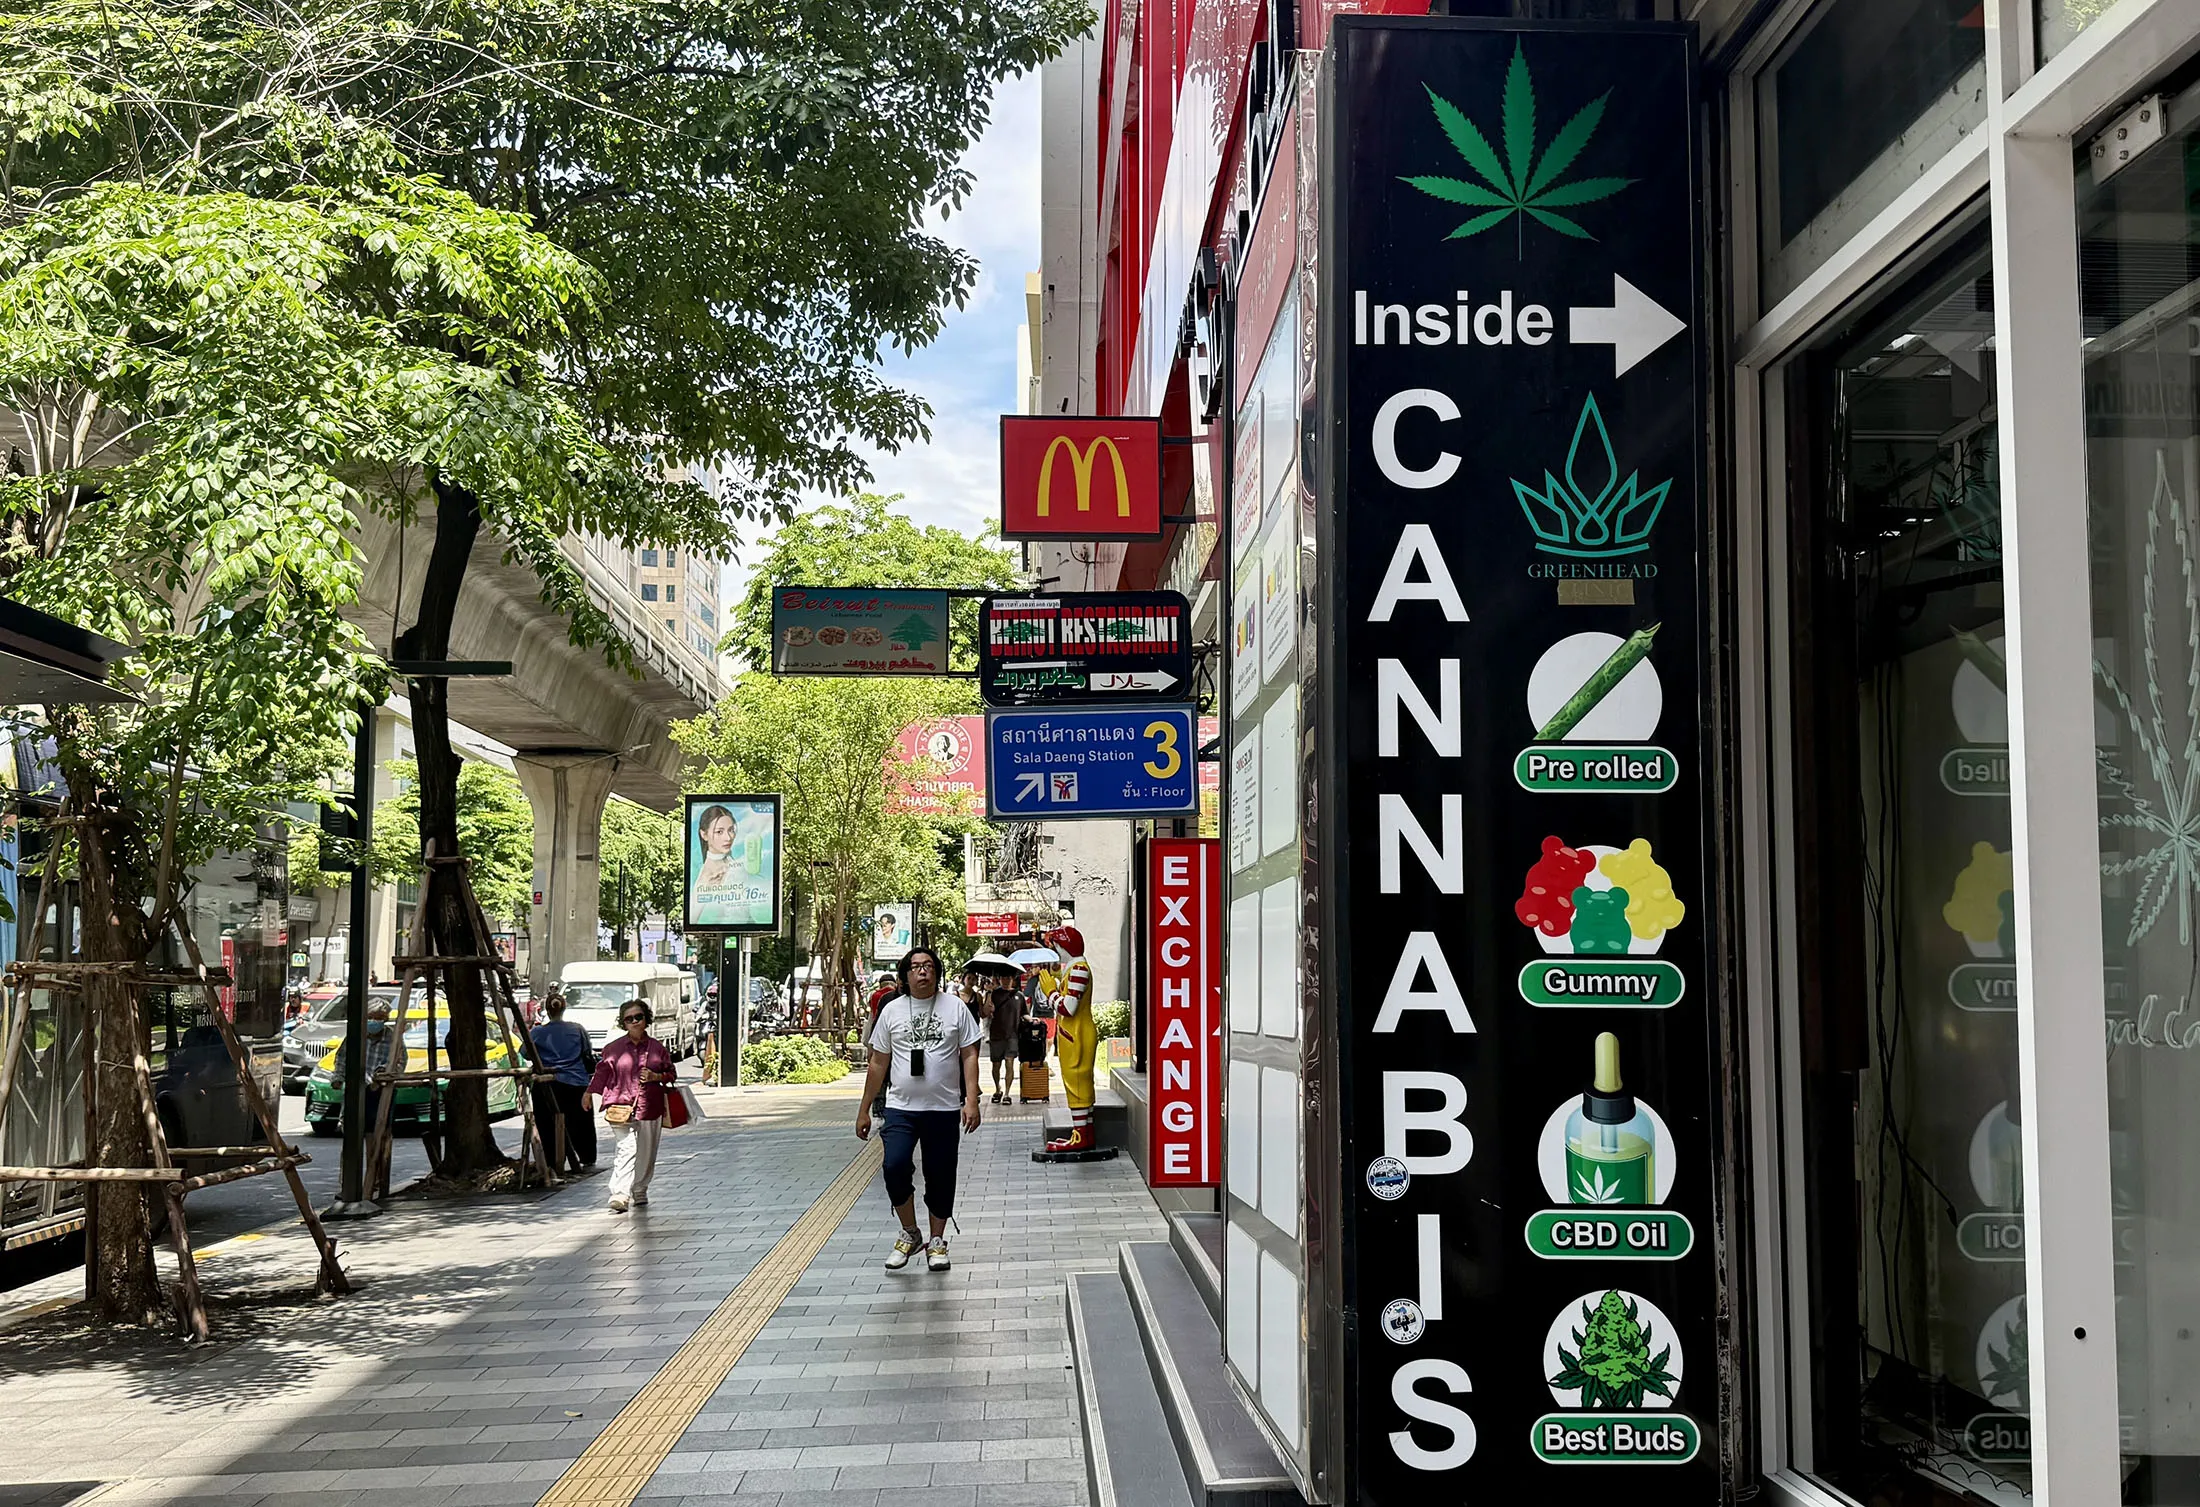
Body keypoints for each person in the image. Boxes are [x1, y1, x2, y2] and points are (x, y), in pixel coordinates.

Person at [856, 947, 982, 1272]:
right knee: (894, 1166)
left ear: (937, 972)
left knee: (940, 1174)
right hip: (900, 1107)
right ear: (905, 975)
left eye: (928, 966)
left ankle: (937, 1241)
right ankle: (911, 1232)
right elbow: (878, 1062)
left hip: (942, 1108)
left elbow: (969, 1054)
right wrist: (864, 1109)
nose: (922, 972)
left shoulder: (955, 1008)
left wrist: (972, 1100)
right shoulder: (892, 1011)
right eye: (915, 967)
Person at [585, 998, 677, 1213]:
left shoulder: (657, 1048)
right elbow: (601, 1073)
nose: (634, 1022)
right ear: (623, 1023)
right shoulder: (613, 1049)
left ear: (646, 1019)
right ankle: (619, 1193)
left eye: (639, 1017)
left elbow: (672, 1074)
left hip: (650, 1106)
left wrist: (656, 1076)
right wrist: (589, 1093)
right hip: (620, 1106)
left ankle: (640, 1189)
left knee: (646, 1151)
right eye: (629, 1019)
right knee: (627, 1148)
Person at [1042, 926, 1098, 1153]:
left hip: (1076, 1035)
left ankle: (1080, 1135)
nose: (1055, 951)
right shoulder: (1075, 969)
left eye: (1055, 946)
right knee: (1078, 1081)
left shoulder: (1079, 970)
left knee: (1076, 1082)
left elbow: (1068, 1007)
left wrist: (1050, 991)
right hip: (1074, 1035)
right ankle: (1085, 1132)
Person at [530, 993, 598, 1172]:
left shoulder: (537, 1032)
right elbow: (587, 1052)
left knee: (547, 1123)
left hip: (546, 1084)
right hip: (576, 1082)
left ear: (546, 1010)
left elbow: (525, 1053)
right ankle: (587, 1156)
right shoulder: (577, 1029)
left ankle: (552, 1160)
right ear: (564, 1008)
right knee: (581, 1122)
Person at [984, 978, 1020, 1104]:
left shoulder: (1018, 995)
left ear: (1012, 980)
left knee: (1009, 1063)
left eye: (1008, 978)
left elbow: (1024, 1013)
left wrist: (1032, 1020)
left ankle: (1007, 1093)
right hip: (997, 1035)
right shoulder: (994, 994)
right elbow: (985, 1012)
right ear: (1000, 979)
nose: (1006, 980)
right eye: (1003, 978)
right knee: (996, 1065)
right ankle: (997, 1088)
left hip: (1012, 1035)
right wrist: (988, 993)